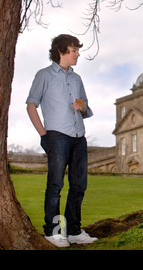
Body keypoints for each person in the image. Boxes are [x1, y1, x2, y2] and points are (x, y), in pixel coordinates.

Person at [26, 34, 97, 247]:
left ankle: (74, 231)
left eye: (77, 50)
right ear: (61, 51)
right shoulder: (44, 75)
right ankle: (53, 232)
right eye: (74, 50)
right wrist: (43, 134)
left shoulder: (77, 79)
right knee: (55, 185)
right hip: (56, 137)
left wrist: (83, 107)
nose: (77, 54)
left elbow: (86, 108)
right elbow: (31, 105)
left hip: (78, 137)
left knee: (79, 186)